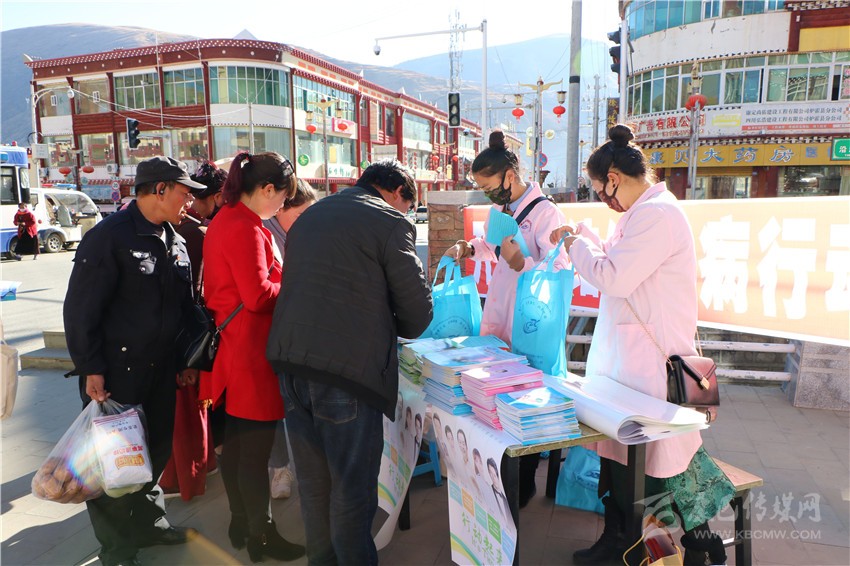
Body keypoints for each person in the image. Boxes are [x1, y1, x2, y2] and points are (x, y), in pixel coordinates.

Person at [550, 124, 735, 566]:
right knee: (632, 463)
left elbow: (613, 276)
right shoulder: (643, 214)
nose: (604, 200)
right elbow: (618, 263)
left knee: (650, 469)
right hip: (631, 365)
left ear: (614, 178)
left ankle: (647, 549)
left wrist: (575, 244)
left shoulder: (657, 216)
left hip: (650, 367)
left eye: (601, 191)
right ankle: (631, 540)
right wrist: (585, 239)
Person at [266, 158, 433, 565]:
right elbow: (417, 315)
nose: (407, 212)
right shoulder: (390, 222)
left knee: (315, 487)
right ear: (397, 192)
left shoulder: (310, 216)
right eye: (408, 205)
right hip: (346, 373)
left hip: (292, 364)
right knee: (351, 492)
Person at [63, 156, 208, 566]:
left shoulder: (175, 240)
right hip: (116, 375)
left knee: (154, 452)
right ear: (159, 189)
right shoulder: (109, 237)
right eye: (184, 193)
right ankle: (116, 550)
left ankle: (149, 524)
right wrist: (91, 367)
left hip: (162, 370)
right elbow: (81, 310)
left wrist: (187, 360)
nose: (189, 203)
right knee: (114, 465)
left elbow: (185, 308)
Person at [444, 130, 569, 508]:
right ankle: (500, 470)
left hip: (529, 320)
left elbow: (560, 266)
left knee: (526, 399)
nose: (487, 195)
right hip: (499, 312)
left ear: (510, 176)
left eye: (489, 186)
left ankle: (524, 479)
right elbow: (490, 245)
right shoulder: (500, 210)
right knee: (496, 394)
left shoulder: (546, 212)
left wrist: (523, 263)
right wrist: (470, 248)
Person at [202, 151, 305, 563]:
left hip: (233, 349)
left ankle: (242, 521)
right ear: (265, 189)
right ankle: (261, 535)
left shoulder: (225, 218)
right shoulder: (246, 227)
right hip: (251, 354)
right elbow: (259, 296)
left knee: (237, 448)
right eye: (282, 197)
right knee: (254, 453)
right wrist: (295, 284)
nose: (282, 205)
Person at [159, 161, 227, 500]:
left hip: (183, 337)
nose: (190, 204)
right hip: (191, 335)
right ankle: (197, 469)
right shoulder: (195, 232)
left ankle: (184, 476)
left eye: (192, 197)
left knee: (185, 412)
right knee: (190, 411)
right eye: (186, 196)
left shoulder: (190, 232)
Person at [262, 178, 318, 499]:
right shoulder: (264, 235)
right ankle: (279, 468)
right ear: (280, 209)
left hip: (301, 333)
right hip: (272, 332)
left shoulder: (303, 236)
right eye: (299, 215)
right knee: (274, 403)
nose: (305, 222)